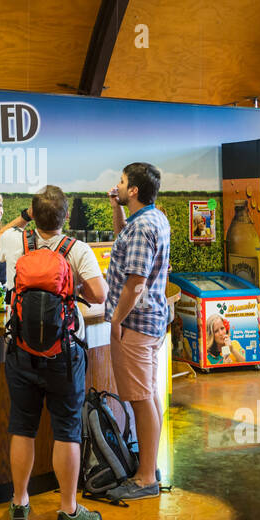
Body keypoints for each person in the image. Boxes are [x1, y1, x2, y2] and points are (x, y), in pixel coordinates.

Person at [0, 185, 108, 520]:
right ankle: (68, 510)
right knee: (66, 430)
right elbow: (100, 295)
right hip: (64, 352)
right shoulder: (78, 249)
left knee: (22, 426)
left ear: (33, 214)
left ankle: (19, 503)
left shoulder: (15, 242)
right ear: (64, 217)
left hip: (21, 350)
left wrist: (25, 219)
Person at [104, 162, 171, 501]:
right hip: (151, 322)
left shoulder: (144, 226)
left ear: (133, 190)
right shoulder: (150, 218)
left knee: (142, 400)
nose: (117, 184)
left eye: (121, 181)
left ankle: (145, 478)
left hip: (135, 324)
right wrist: (116, 209)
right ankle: (150, 465)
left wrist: (115, 321)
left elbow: (136, 283)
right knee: (149, 395)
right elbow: (123, 238)